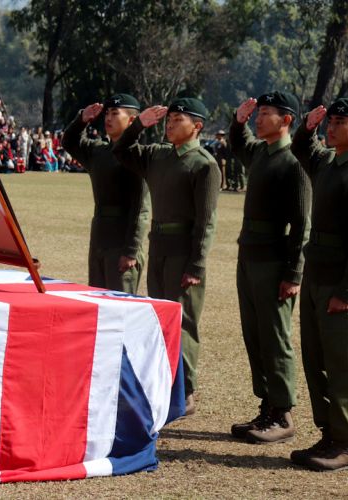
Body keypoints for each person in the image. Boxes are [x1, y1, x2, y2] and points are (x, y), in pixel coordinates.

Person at [289, 97, 348, 471]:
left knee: (342, 366)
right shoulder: (328, 163)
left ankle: (347, 442)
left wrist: (345, 292)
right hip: (316, 280)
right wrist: (308, 126)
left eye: (339, 122)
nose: (332, 127)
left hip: (338, 288)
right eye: (331, 122)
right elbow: (301, 148)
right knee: (317, 363)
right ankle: (329, 434)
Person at [113, 97, 221, 415]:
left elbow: (207, 221)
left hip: (183, 249)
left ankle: (185, 389)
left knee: (183, 321)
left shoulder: (204, 165)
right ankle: (165, 381)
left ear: (197, 126)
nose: (170, 124)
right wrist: (139, 125)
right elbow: (121, 151)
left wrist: (197, 264)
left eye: (178, 119)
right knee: (160, 319)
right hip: (158, 244)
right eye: (168, 119)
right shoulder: (159, 156)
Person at [228, 92, 310, 443]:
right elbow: (238, 142)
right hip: (249, 257)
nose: (258, 120)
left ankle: (283, 413)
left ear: (286, 120)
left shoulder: (294, 162)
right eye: (257, 114)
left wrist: (293, 273)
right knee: (255, 335)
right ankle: (266, 407)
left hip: (274, 261)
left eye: (265, 114)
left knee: (275, 339)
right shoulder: (262, 152)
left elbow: (302, 224)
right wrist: (238, 120)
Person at [62, 94, 149, 293]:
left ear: (132, 120)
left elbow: (140, 209)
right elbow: (69, 142)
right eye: (107, 113)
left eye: (115, 113)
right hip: (100, 237)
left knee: (120, 309)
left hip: (122, 241)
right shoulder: (98, 151)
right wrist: (82, 119)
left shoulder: (137, 156)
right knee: (98, 304)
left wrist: (131, 250)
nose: (108, 118)